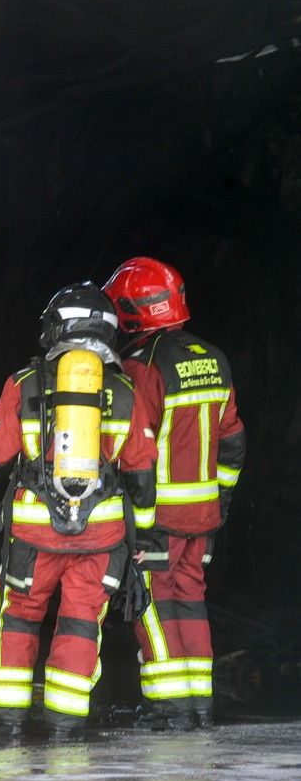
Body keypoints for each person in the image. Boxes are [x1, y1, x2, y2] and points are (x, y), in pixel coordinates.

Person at [0, 282, 158, 737]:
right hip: (101, 537)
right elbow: (141, 471)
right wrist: (142, 537)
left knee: (17, 614)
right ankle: (65, 723)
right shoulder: (125, 390)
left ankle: (6, 720)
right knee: (81, 622)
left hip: (34, 534)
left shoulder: (24, 382)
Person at [103, 257, 245, 729]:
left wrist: (136, 521)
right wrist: (221, 501)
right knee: (190, 600)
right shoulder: (214, 358)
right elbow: (233, 441)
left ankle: (168, 706)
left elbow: (135, 450)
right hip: (203, 516)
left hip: (159, 514)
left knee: (151, 600)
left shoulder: (142, 367)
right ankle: (199, 703)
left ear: (131, 313)